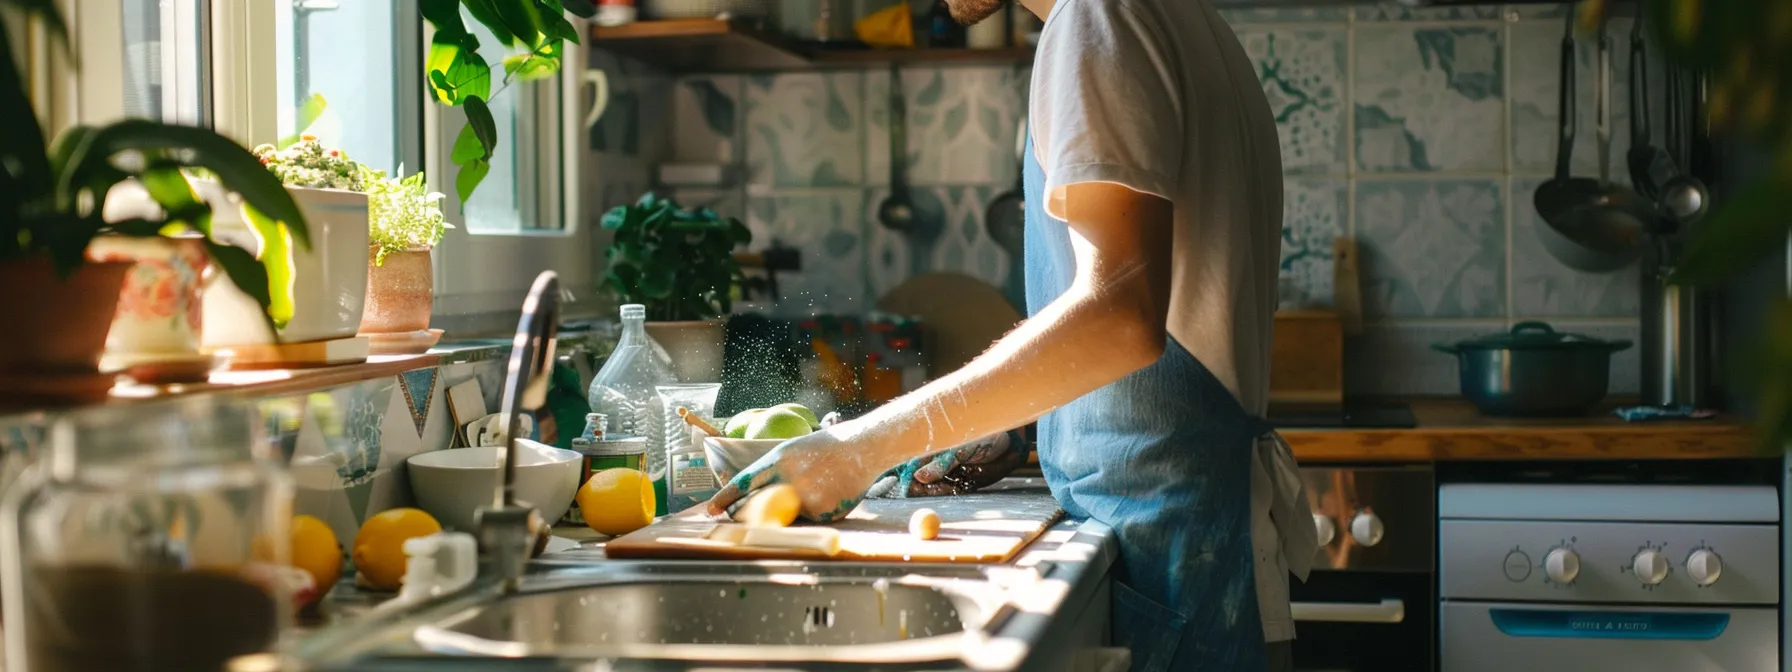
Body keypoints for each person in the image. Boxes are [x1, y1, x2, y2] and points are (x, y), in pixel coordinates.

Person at [705, 0, 1316, 668]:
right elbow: (1188, 317)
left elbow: (1119, 313)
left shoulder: (1095, 17)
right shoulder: (1182, 22)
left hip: (1169, 567)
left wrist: (860, 448)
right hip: (1202, 553)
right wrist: (1027, 424)